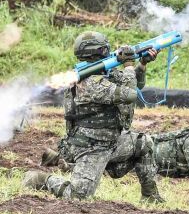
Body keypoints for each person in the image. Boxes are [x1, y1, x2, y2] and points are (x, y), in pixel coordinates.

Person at [23, 31, 163, 202]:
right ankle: (41, 179)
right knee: (78, 196)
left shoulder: (104, 74)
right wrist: (127, 64)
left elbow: (136, 83)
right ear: (98, 51)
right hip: (91, 147)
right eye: (105, 48)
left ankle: (151, 197)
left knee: (144, 143)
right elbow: (130, 93)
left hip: (112, 141)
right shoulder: (89, 83)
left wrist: (141, 65)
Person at [40, 115, 189, 178]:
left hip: (148, 161)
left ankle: (66, 166)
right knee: (104, 160)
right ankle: (61, 158)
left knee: (109, 169)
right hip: (146, 155)